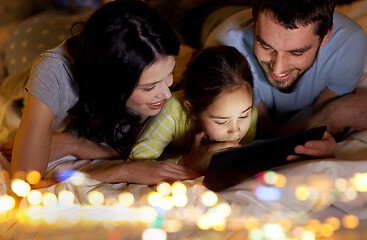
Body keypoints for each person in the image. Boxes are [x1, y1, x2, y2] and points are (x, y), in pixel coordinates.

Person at [8, 0, 198, 185]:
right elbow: (25, 180)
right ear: (110, 81)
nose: (166, 94)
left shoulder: (159, 55)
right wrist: (120, 170)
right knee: (16, 39)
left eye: (170, 74)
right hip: (29, 41)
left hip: (96, 34)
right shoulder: (54, 73)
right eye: (150, 87)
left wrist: (77, 145)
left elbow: (143, 142)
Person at [201, 0, 366, 158]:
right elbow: (261, 135)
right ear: (255, 23)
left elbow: (320, 130)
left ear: (325, 37)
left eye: (296, 52)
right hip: (220, 14)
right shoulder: (226, 48)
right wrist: (329, 117)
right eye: (265, 46)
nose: (278, 69)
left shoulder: (349, 44)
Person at [129, 46, 258, 174]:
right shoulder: (171, 112)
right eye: (221, 122)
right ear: (191, 110)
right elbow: (135, 162)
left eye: (243, 116)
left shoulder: (251, 113)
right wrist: (188, 163)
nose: (236, 131)